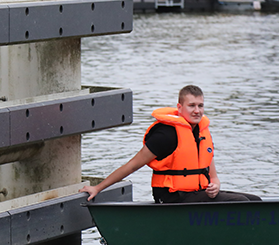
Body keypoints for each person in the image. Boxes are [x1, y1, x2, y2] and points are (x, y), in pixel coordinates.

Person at [81, 85, 261, 204]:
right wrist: (97, 188)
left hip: (196, 192)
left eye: (200, 106)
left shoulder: (201, 131)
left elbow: (211, 173)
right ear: (180, 107)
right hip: (172, 196)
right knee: (241, 203)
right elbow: (132, 165)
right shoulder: (166, 135)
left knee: (254, 201)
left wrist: (215, 184)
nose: (197, 111)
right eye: (191, 105)